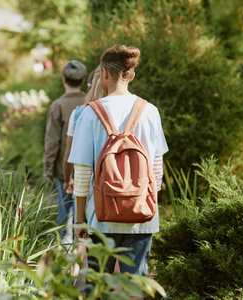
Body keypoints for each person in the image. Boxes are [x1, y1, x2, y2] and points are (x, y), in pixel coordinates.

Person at [68, 45, 168, 296]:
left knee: (96, 287)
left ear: (103, 74)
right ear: (131, 75)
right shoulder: (150, 112)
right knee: (135, 289)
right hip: (141, 219)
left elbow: (82, 174)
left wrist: (80, 220)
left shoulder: (90, 114)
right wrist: (139, 203)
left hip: (100, 217)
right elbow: (156, 172)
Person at [43, 60, 87, 234]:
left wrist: (47, 168)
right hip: (86, 170)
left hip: (63, 172)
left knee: (62, 213)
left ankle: (60, 252)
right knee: (82, 216)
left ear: (63, 80)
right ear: (83, 80)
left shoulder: (58, 106)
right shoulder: (90, 102)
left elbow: (52, 141)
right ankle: (81, 254)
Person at [63, 67, 104, 196]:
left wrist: (67, 179)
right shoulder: (121, 111)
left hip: (86, 186)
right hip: (116, 183)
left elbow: (69, 155)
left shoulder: (78, 114)